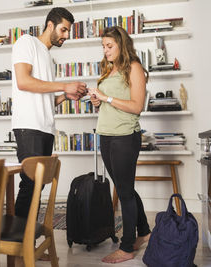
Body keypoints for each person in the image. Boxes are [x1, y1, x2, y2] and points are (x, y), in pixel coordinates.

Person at [11, 7, 87, 219]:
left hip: (44, 127)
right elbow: (24, 82)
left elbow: (44, 100)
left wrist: (65, 96)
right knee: (30, 184)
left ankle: (28, 243)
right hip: (29, 126)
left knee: (38, 186)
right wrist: (64, 86)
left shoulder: (47, 56)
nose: (65, 36)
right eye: (63, 30)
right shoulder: (26, 42)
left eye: (68, 32)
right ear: (50, 25)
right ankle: (19, 245)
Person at [88, 26, 151, 264]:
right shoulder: (108, 70)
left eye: (109, 46)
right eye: (103, 46)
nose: (105, 51)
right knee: (125, 188)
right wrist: (97, 102)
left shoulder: (133, 68)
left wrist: (106, 98)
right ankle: (144, 232)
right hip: (106, 135)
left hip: (125, 136)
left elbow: (136, 106)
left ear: (121, 45)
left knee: (124, 192)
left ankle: (126, 247)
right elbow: (105, 105)